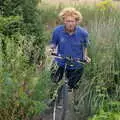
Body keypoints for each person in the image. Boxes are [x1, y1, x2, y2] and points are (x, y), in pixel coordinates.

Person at [49, 7, 91, 89]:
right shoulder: (57, 31)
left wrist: (85, 57)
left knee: (72, 87)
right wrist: (51, 49)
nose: (70, 23)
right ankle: (53, 99)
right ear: (64, 21)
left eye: (72, 21)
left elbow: (85, 46)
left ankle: (72, 98)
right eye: (68, 21)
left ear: (76, 22)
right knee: (54, 83)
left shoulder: (83, 33)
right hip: (60, 62)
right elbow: (53, 44)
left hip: (76, 64)